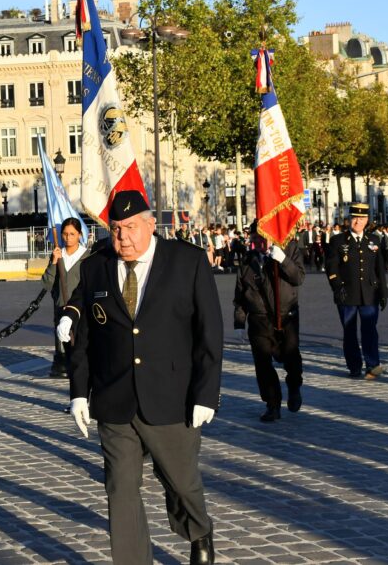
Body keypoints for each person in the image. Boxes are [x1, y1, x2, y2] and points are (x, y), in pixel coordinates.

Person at [57, 190, 223, 565]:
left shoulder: (187, 262)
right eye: (115, 229)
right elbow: (84, 336)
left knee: (181, 482)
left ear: (151, 224)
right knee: (121, 489)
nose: (123, 238)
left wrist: (205, 394)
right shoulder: (96, 264)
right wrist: (79, 393)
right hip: (114, 397)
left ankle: (198, 531)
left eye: (131, 228)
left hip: (172, 396)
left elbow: (209, 332)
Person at [233, 222, 306, 422]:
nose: (257, 242)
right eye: (254, 238)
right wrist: (240, 323)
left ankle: (294, 386)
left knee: (291, 356)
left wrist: (282, 259)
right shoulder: (248, 261)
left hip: (286, 316)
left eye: (261, 237)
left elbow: (298, 277)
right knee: (263, 364)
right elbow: (240, 295)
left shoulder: (289, 249)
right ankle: (272, 403)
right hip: (259, 320)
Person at [325, 203, 388, 379]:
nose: (357, 222)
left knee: (370, 330)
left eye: (361, 218)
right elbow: (331, 267)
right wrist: (337, 287)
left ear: (367, 220)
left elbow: (379, 269)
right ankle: (354, 366)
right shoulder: (338, 241)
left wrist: (383, 292)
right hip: (347, 293)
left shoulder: (374, 240)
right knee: (349, 332)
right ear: (349, 220)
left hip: (369, 293)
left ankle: (372, 365)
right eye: (354, 218)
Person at [41, 217, 90, 378]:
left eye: (72, 234)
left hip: (81, 310)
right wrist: (54, 263)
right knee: (64, 345)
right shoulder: (57, 254)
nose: (68, 238)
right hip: (61, 308)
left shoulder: (87, 256)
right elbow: (47, 283)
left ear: (79, 235)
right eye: (65, 234)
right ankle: (63, 365)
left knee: (80, 347)